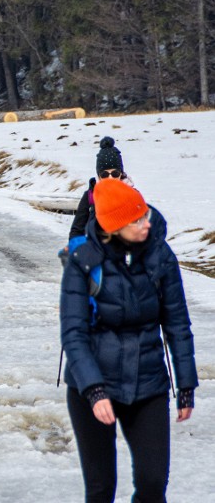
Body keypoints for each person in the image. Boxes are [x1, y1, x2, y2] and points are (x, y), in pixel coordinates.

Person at [60, 178, 197, 502]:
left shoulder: (161, 256)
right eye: (135, 220)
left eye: (144, 214)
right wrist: (94, 389)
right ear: (113, 227)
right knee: (100, 488)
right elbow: (73, 333)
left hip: (148, 382)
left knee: (152, 484)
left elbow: (177, 323)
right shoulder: (84, 261)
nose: (144, 223)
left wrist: (186, 385)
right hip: (93, 386)